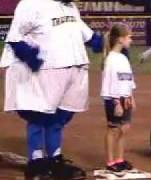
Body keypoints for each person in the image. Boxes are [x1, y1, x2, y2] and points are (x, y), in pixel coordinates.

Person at [0, 0, 103, 179]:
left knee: (59, 118)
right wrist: (30, 56)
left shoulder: (70, 6)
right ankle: (36, 162)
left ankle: (54, 160)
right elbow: (15, 37)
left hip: (74, 68)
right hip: (44, 71)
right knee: (38, 114)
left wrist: (97, 41)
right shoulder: (30, 4)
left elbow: (81, 31)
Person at [101, 23, 136, 176]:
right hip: (114, 99)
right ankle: (110, 162)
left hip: (125, 98)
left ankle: (120, 159)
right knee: (113, 129)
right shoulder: (111, 59)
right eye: (129, 37)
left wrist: (131, 96)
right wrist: (116, 102)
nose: (131, 40)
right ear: (120, 39)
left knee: (124, 129)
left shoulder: (123, 57)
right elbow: (110, 82)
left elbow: (128, 78)